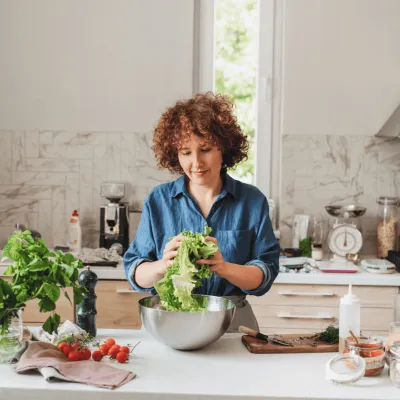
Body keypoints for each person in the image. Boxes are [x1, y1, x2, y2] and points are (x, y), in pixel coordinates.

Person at [124, 92, 280, 332]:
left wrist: (223, 267)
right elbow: (136, 274)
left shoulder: (252, 201)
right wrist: (163, 265)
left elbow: (265, 274)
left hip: (232, 322)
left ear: (224, 149)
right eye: (186, 152)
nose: (196, 163)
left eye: (205, 149)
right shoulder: (159, 200)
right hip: (171, 322)